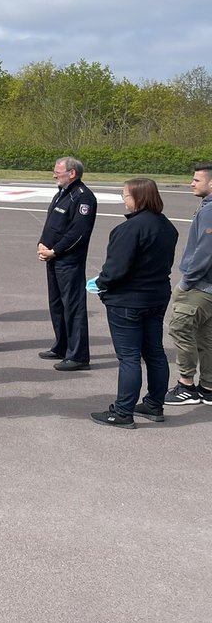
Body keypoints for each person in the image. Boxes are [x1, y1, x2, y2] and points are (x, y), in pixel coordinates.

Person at [89, 178, 178, 428]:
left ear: (138, 198)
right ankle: (154, 404)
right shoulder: (167, 226)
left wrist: (102, 285)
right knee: (154, 351)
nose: (123, 199)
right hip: (156, 295)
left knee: (129, 357)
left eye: (125, 195)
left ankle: (123, 411)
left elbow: (116, 269)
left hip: (128, 300)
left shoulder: (129, 229)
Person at [37, 156, 98, 371]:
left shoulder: (83, 197)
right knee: (56, 305)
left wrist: (55, 250)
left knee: (73, 307)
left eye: (58, 171)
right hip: (54, 258)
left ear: (72, 173)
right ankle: (61, 346)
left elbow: (78, 233)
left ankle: (79, 355)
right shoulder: (61, 194)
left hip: (68, 261)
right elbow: (52, 225)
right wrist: (42, 244)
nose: (54, 174)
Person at [163, 161, 212, 406]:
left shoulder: (210, 210)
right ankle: (208, 387)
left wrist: (187, 282)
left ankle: (186, 386)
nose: (191, 183)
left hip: (201, 286)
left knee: (181, 328)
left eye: (196, 179)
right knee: (206, 336)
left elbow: (205, 251)